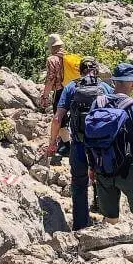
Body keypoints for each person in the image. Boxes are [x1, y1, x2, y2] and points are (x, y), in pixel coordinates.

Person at [38, 57, 111, 230]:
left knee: (79, 184)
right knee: (103, 179)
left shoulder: (71, 86)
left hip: (78, 143)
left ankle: (80, 226)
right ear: (97, 70)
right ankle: (106, 219)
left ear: (80, 71)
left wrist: (52, 143)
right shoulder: (106, 88)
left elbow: (57, 118)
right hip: (102, 145)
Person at [94, 63, 133, 222]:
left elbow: (91, 138)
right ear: (129, 83)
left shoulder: (98, 103)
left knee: (110, 218)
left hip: (102, 167)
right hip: (127, 170)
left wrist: (91, 166)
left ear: (114, 81)